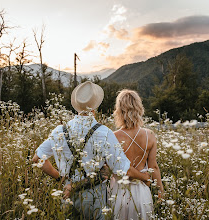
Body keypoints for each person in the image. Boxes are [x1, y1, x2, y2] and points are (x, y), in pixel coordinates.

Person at [32, 81, 150, 219]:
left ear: (76, 105)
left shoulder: (60, 131)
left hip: (67, 194)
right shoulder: (104, 132)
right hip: (94, 197)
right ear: (95, 107)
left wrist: (60, 178)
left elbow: (37, 158)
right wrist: (145, 177)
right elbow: (123, 169)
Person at [109, 89, 164, 220]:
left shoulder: (112, 137)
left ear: (119, 110)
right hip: (142, 193)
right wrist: (161, 190)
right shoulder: (149, 135)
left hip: (118, 192)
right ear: (139, 108)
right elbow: (154, 167)